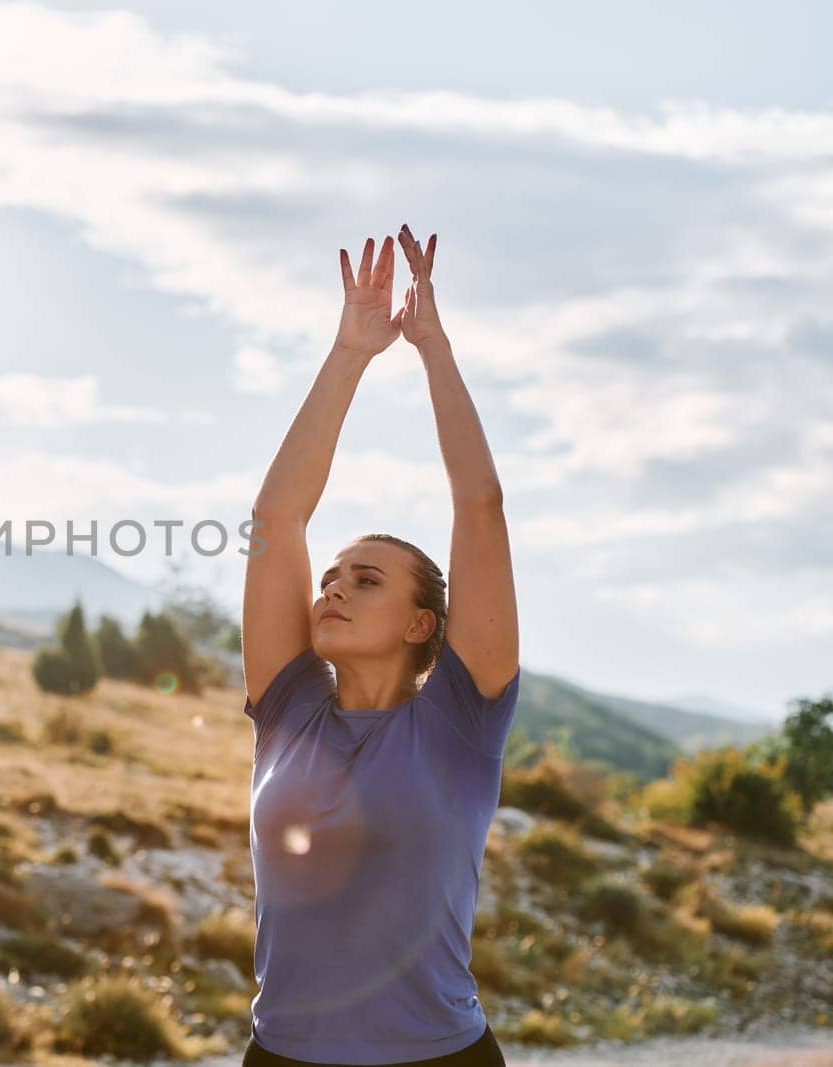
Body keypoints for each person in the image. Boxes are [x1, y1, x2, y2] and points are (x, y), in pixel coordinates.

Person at [238, 226, 520, 1067]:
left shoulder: (461, 723)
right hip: (281, 1055)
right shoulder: (287, 711)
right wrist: (350, 352)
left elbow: (481, 504)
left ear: (421, 624)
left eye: (365, 579)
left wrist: (432, 347)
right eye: (331, 576)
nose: (331, 587)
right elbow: (275, 521)